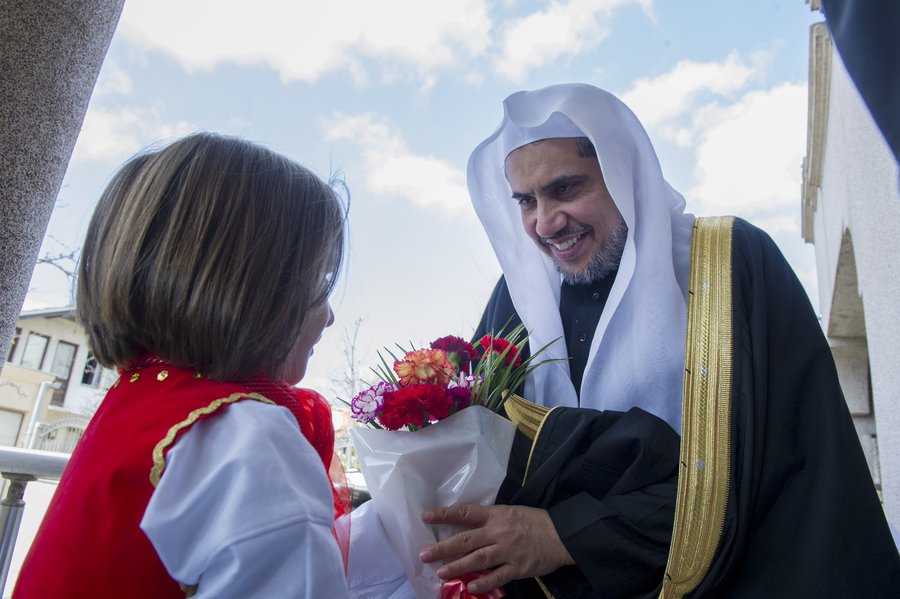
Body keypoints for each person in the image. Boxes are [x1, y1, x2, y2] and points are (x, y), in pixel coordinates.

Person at [419, 83, 900, 597]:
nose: (545, 222)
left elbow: (770, 466)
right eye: (526, 201)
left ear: (624, 174)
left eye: (565, 189)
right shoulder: (516, 300)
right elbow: (485, 455)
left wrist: (567, 534)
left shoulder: (730, 263)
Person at [14, 133, 351, 598]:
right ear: (256, 284)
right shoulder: (246, 436)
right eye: (318, 279)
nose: (329, 315)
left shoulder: (140, 401)